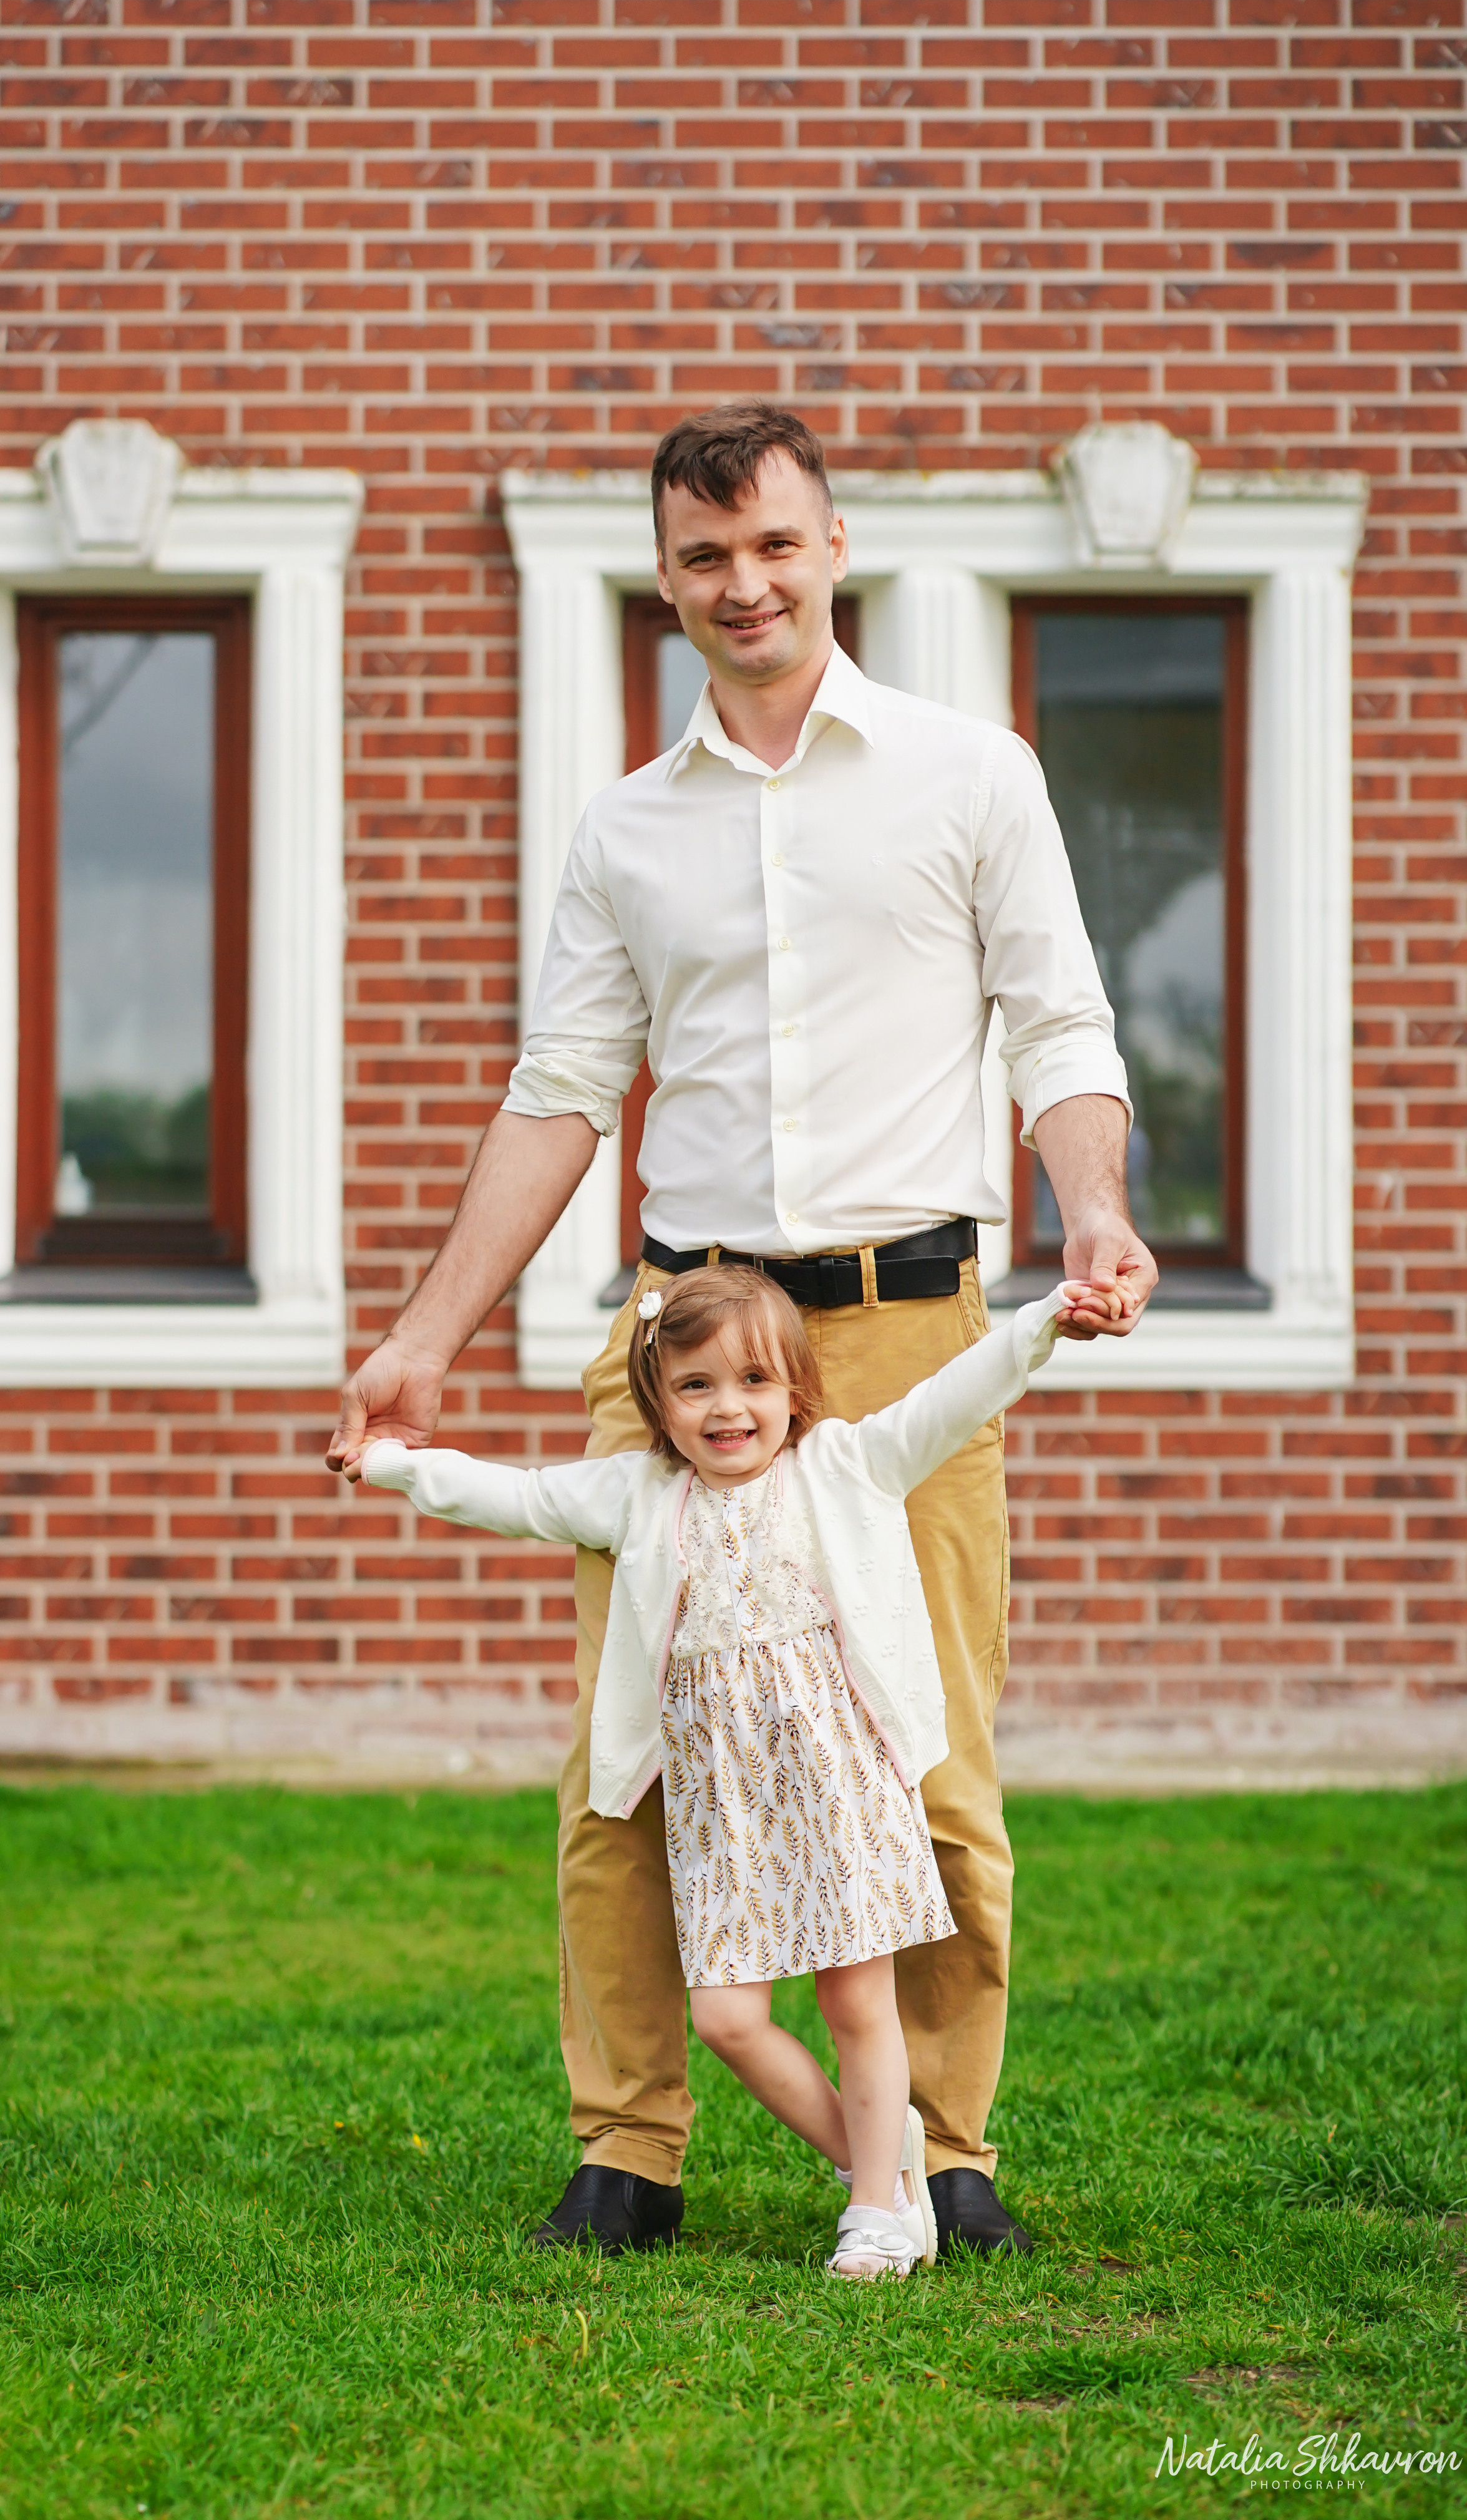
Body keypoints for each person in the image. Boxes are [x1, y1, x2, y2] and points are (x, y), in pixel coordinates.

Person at [327, 399, 1159, 2262]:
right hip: (684, 1340)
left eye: (772, 545)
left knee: (928, 1751)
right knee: (627, 1754)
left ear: (832, 546)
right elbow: (560, 1093)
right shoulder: (628, 829)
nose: (744, 584)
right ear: (667, 579)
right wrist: (423, 1340)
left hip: (905, 1331)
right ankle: (630, 2149)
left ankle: (944, 2154)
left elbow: (1063, 1032)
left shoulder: (971, 774)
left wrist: (1090, 1208)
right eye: (705, 557)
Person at [351, 1262, 1113, 2274]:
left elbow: (954, 1396)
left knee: (856, 2006)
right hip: (728, 1813)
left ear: (795, 1392)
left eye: (754, 1383)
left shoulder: (845, 1467)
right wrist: (400, 1465)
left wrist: (1044, 1323)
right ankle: (880, 2163)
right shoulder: (640, 1495)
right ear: (658, 1406)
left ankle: (878, 2216)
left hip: (839, 1789)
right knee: (727, 2019)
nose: (727, 1409)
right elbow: (523, 1497)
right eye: (696, 1386)